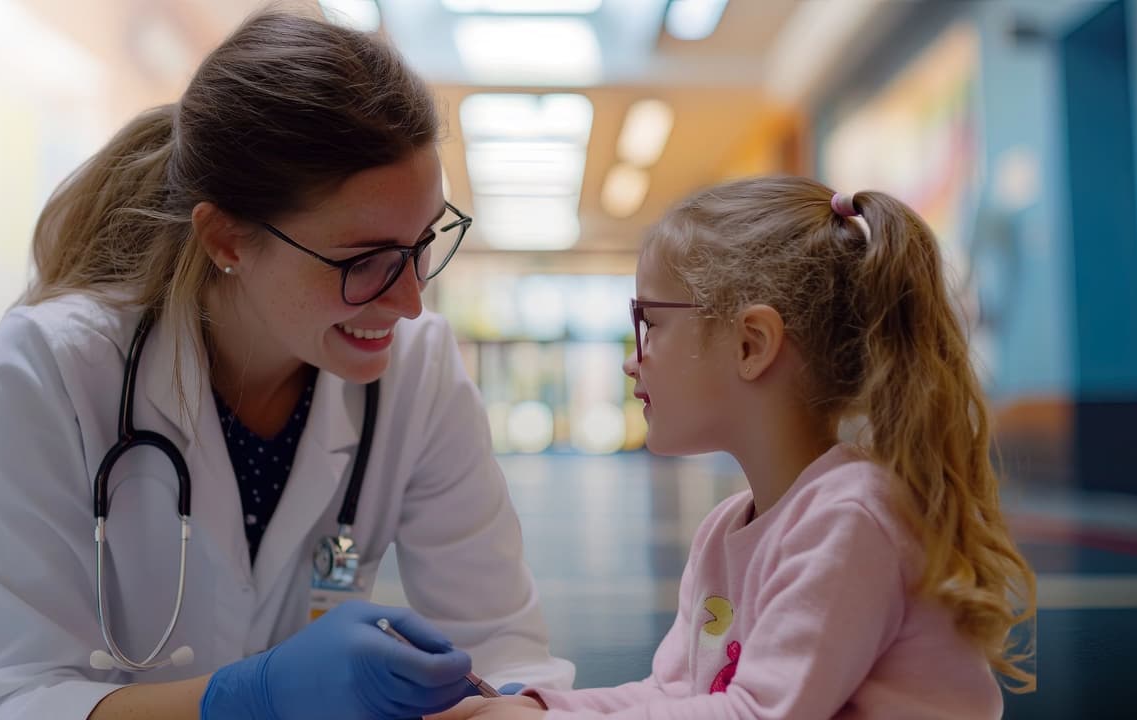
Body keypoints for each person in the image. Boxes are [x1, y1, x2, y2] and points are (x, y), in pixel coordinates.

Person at [0, 9, 573, 720]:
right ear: (227, 239)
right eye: (364, 261)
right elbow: (13, 697)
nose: (408, 302)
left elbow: (500, 643)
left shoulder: (419, 372)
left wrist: (520, 705)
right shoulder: (52, 369)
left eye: (423, 243)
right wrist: (247, 698)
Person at [431, 175, 1037, 719]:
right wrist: (535, 708)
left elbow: (753, 714)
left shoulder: (849, 519)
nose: (629, 359)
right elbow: (676, 694)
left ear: (751, 344)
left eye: (650, 324)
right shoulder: (725, 531)